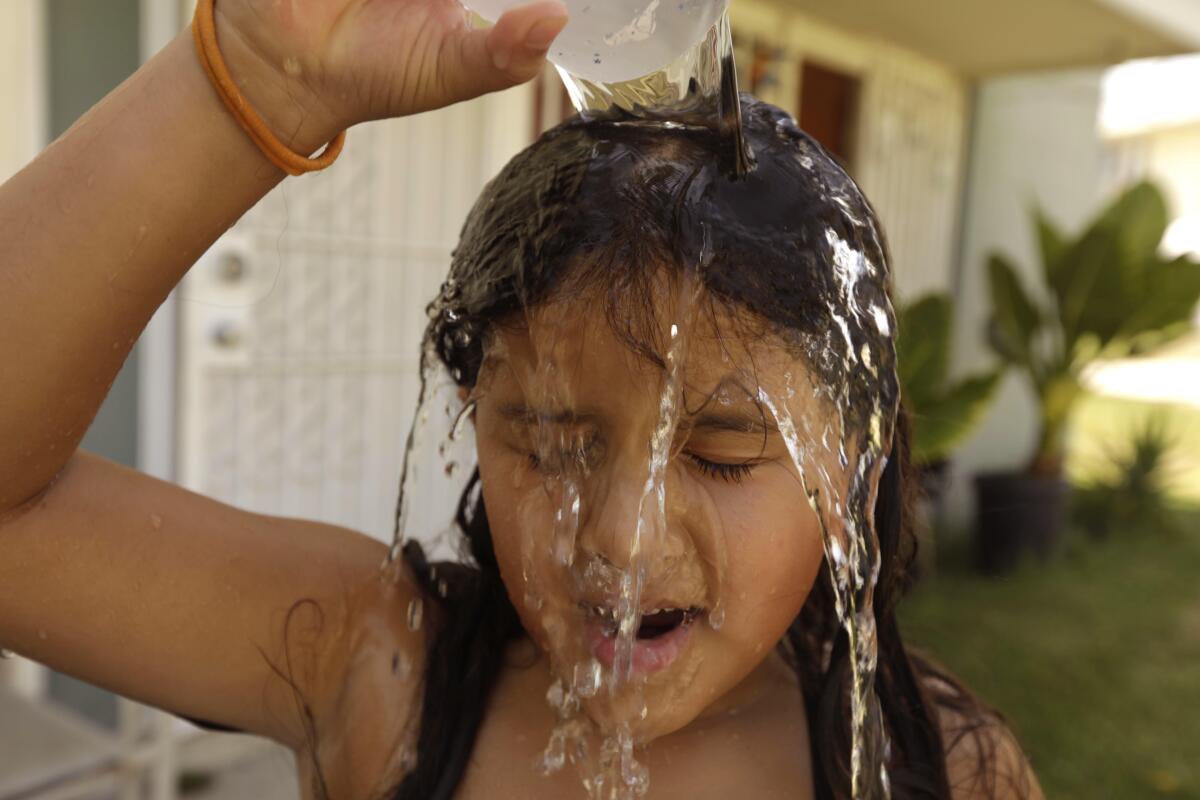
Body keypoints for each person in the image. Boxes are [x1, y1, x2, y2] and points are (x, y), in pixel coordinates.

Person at [0, 1, 1042, 798]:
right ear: (472, 414)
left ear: (852, 467)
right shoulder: (383, 672)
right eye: (550, 442)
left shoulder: (936, 767)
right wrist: (250, 84)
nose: (623, 542)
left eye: (723, 453)